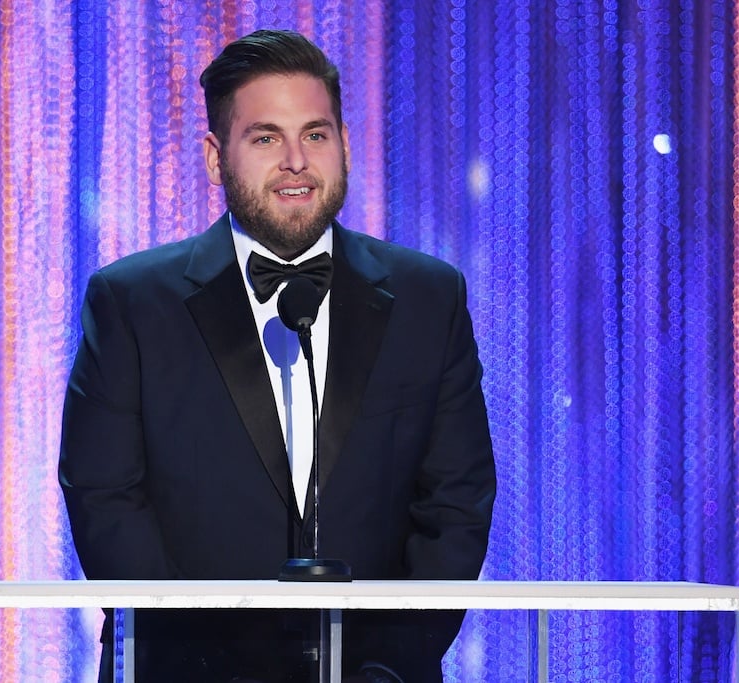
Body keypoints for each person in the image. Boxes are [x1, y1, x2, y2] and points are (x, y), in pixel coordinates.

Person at [59, 29, 496, 683]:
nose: (296, 160)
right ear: (216, 157)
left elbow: (456, 503)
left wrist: (386, 663)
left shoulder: (429, 297)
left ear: (345, 144)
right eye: (266, 137)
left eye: (315, 134)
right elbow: (105, 499)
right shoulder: (132, 302)